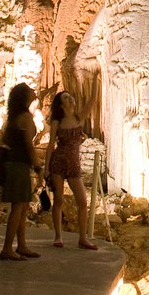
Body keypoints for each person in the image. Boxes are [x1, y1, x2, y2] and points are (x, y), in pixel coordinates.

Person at [44, 89, 98, 250]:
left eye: (70, 96)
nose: (71, 99)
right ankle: (58, 236)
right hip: (59, 161)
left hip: (74, 163)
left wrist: (96, 79)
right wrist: (46, 168)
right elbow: (51, 144)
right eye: (66, 98)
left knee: (82, 201)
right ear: (61, 105)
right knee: (59, 200)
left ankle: (83, 238)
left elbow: (92, 100)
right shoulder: (56, 122)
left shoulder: (78, 118)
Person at [0, 82, 42, 261]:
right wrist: (38, 168)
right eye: (31, 90)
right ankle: (7, 248)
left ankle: (21, 245)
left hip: (15, 164)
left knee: (23, 206)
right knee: (18, 207)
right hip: (20, 165)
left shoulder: (14, 117)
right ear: (25, 96)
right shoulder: (25, 117)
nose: (35, 91)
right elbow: (29, 146)